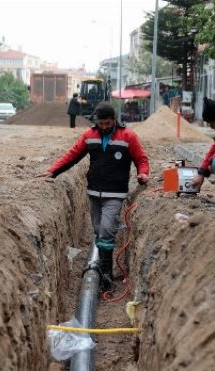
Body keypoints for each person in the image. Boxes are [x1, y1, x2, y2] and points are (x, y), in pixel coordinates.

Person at [39, 102, 149, 290]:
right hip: (94, 191)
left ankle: (106, 274)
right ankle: (102, 265)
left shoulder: (128, 136)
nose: (104, 127)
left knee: (107, 230)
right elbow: (72, 156)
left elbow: (141, 159)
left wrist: (143, 173)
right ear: (96, 121)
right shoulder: (90, 136)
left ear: (114, 120)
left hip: (115, 192)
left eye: (107, 123)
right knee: (99, 230)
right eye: (101, 123)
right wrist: (53, 171)